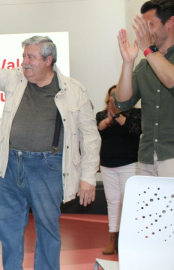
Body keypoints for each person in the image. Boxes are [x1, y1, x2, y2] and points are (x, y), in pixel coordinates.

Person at [0, 12, 100, 270]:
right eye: (24, 56)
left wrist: (88, 176)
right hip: (10, 165)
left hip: (48, 168)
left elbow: (90, 137)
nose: (24, 62)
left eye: (31, 57)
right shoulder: (15, 79)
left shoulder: (73, 90)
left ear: (49, 60)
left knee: (48, 231)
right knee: (9, 231)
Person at [115, 0, 174, 177]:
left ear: (170, 23)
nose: (145, 32)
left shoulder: (150, 55)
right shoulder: (144, 65)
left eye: (150, 25)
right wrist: (128, 63)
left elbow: (171, 81)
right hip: (147, 155)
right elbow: (122, 103)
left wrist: (148, 49)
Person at [96, 85, 142, 255]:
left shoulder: (136, 114)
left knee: (129, 203)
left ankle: (129, 239)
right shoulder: (102, 115)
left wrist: (117, 114)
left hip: (130, 164)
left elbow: (134, 130)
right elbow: (100, 129)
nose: (113, 100)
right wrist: (109, 117)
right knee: (113, 201)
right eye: (111, 97)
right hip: (108, 165)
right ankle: (113, 238)